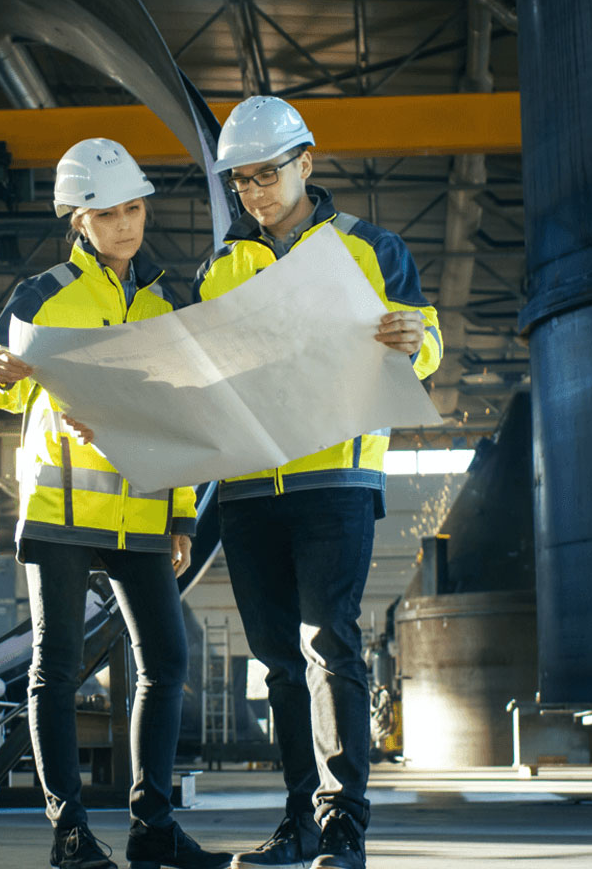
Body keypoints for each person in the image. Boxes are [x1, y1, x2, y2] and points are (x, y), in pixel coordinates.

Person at [197, 97, 442, 869]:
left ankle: (344, 831)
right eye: (240, 181)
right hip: (244, 490)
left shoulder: (370, 249)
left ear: (307, 161)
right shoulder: (218, 269)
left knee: (328, 646)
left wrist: (416, 338)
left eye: (266, 174)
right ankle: (298, 824)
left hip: (334, 480)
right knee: (277, 666)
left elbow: (423, 343)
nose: (254, 192)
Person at [0, 138, 229, 869]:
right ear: (77, 219)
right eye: (108, 213)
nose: (126, 224)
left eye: (135, 208)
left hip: (144, 510)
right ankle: (71, 834)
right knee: (56, 668)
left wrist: (182, 515)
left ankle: (152, 826)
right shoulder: (44, 293)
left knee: (166, 663)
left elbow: (182, 417)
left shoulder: (164, 304)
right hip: (61, 508)